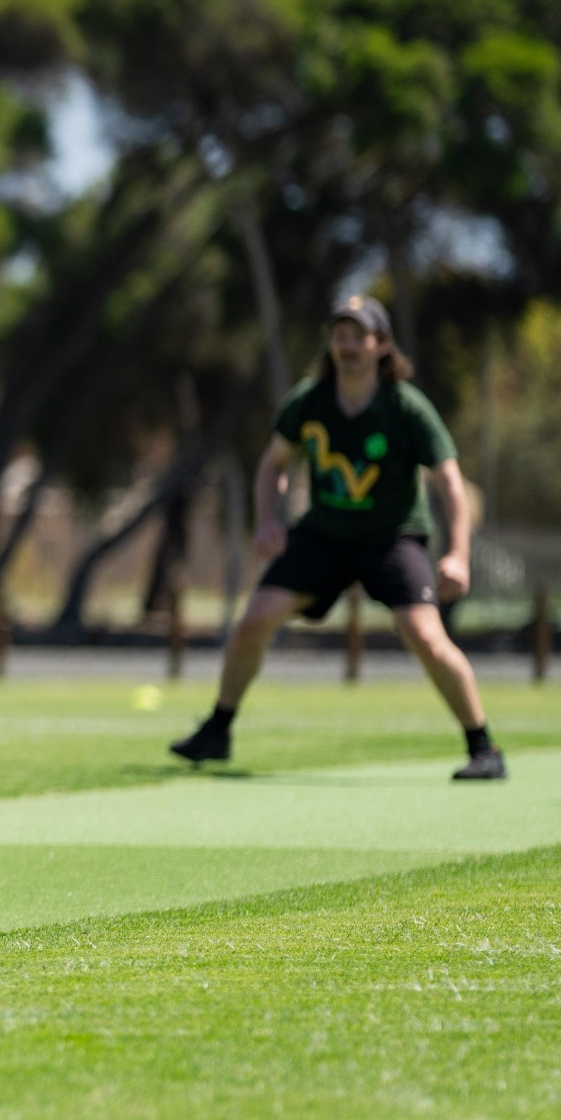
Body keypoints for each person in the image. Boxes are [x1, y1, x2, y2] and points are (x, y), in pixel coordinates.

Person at [171, 294, 502, 780]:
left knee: (426, 637)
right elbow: (273, 464)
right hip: (324, 535)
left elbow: (450, 482)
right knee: (255, 620)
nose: (347, 346)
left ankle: (483, 747)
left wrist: (458, 553)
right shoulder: (310, 400)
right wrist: (267, 521)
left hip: (392, 538)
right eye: (339, 336)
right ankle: (218, 730)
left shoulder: (405, 407)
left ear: (381, 344)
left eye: (358, 336)